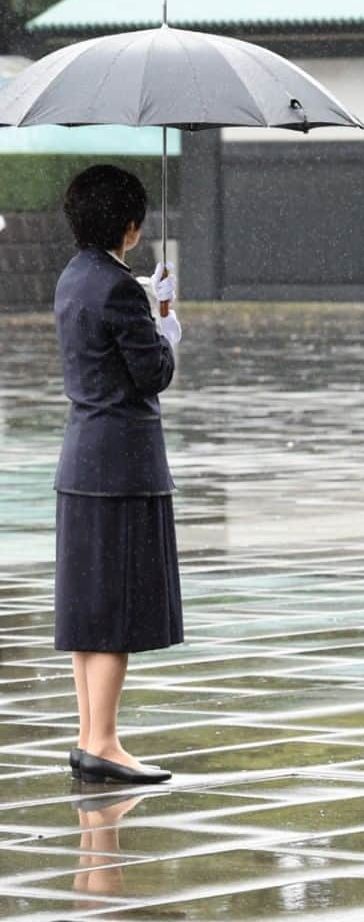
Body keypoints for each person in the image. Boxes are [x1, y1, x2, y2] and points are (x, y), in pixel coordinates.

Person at [53, 165, 183, 785]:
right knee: (115, 607)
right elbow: (152, 372)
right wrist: (163, 319)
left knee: (90, 604)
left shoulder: (74, 278)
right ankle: (104, 741)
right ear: (129, 228)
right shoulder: (120, 289)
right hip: (122, 464)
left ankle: (89, 735)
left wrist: (145, 306)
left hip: (82, 458)